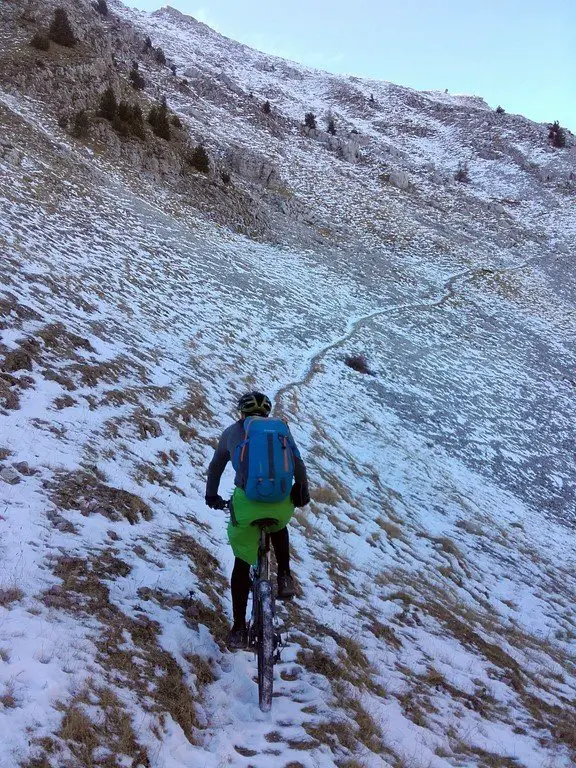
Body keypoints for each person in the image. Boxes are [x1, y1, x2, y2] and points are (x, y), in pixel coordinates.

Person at [205, 391, 310, 650]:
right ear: (267, 413)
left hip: (248, 505)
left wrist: (212, 495)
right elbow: (298, 464)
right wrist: (303, 490)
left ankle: (239, 628)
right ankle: (284, 576)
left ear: (241, 413)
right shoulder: (280, 430)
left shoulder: (232, 432)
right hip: (281, 504)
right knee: (279, 526)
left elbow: (216, 466)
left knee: (242, 563)